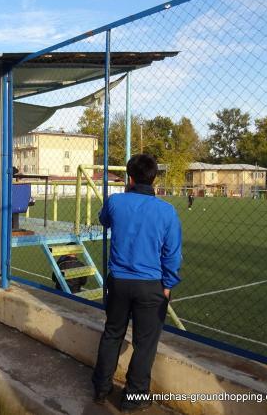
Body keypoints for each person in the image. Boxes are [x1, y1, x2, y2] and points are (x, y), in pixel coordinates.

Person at [92, 154, 182, 412]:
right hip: (151, 285)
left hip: (119, 282)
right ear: (154, 178)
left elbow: (104, 220)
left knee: (112, 333)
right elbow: (172, 253)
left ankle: (101, 387)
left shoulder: (116, 202)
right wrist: (168, 284)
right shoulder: (166, 210)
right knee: (145, 343)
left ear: (129, 178)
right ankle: (133, 396)